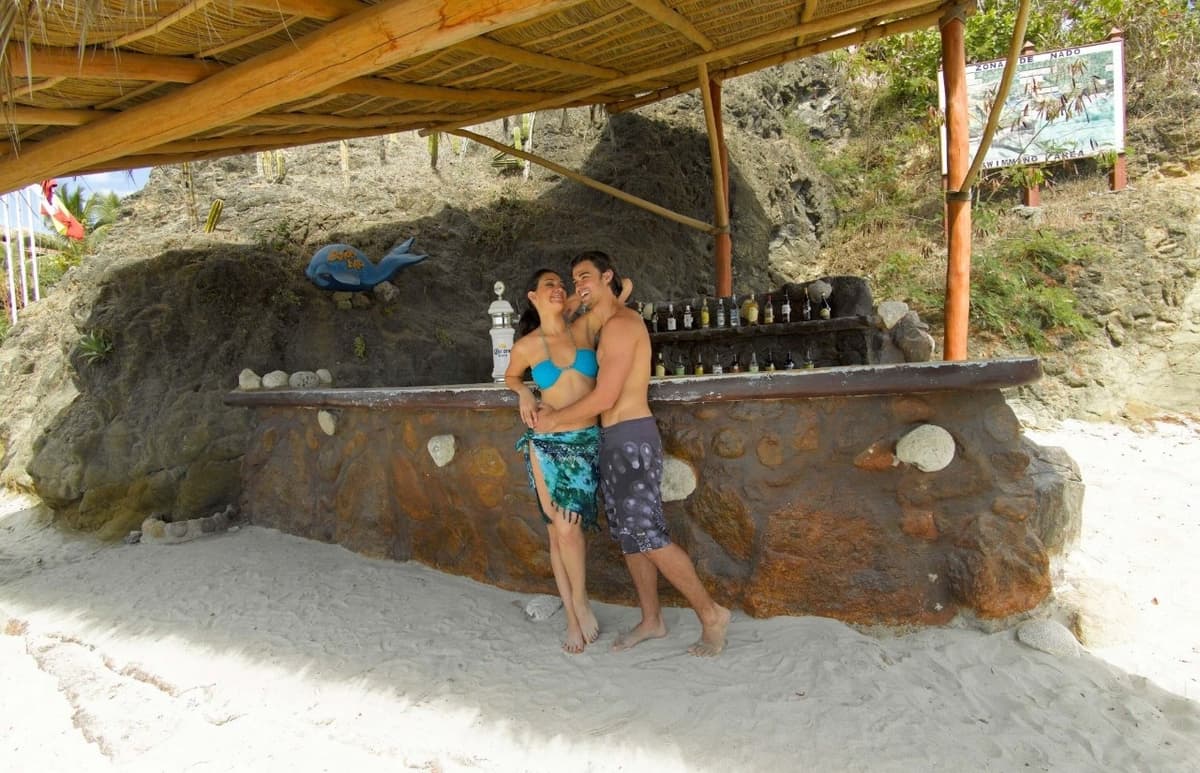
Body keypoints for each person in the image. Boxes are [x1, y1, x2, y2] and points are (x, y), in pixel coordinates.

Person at [536, 251, 732, 657]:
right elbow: (574, 308)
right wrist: (598, 293)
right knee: (631, 538)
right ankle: (652, 620)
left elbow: (606, 395)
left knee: (650, 536)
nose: (577, 287)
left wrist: (553, 421)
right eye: (574, 280)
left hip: (631, 439)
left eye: (586, 276)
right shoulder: (607, 321)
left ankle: (712, 615)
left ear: (607, 275)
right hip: (613, 440)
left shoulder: (622, 326)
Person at [503, 267, 628, 654]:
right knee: (559, 531)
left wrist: (570, 301)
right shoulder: (527, 346)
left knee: (569, 529)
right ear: (532, 296)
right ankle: (573, 615)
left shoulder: (586, 328)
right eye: (549, 286)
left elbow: (622, 291)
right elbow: (510, 376)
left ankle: (581, 599)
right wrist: (524, 393)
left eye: (562, 284)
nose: (558, 289)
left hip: (585, 440)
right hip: (545, 443)